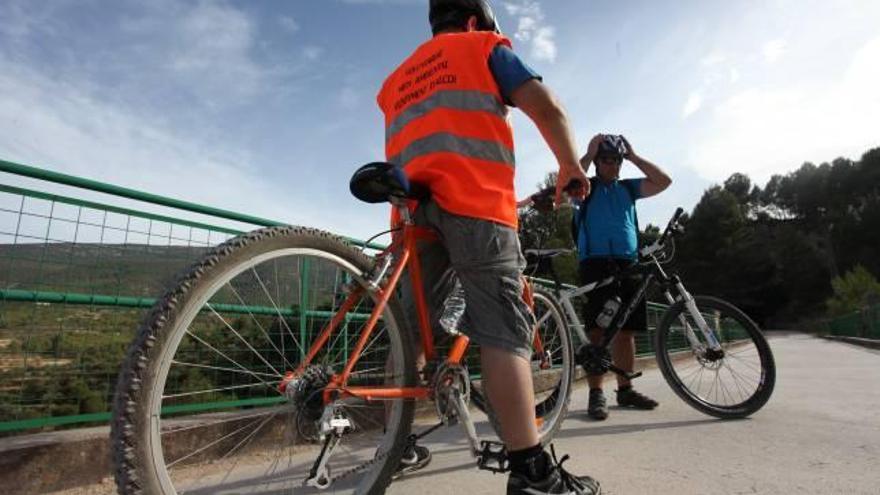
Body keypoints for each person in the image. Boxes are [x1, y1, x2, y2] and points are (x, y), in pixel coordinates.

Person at [376, 1, 600, 493]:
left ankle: (394, 445)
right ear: (476, 21)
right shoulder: (484, 47)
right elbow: (548, 107)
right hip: (473, 199)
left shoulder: (396, 78)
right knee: (501, 330)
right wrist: (569, 166)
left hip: (411, 208)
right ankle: (531, 471)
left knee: (411, 335)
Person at [572, 134, 672, 420]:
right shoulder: (585, 187)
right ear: (598, 162)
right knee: (597, 330)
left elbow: (664, 181)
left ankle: (625, 390)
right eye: (606, 159)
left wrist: (635, 157)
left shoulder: (628, 188)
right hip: (595, 262)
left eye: (616, 160)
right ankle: (596, 394)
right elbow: (565, 184)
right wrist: (589, 154)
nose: (612, 164)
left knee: (625, 332)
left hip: (628, 261)